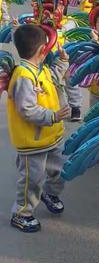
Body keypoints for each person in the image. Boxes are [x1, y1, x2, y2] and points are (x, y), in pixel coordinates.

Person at [7, 24, 71, 233]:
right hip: (32, 143)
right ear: (42, 50)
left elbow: (54, 77)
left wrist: (62, 61)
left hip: (51, 137)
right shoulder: (24, 75)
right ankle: (21, 213)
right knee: (31, 180)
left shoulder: (39, 70)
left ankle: (50, 193)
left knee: (60, 170)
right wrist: (52, 116)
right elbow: (26, 110)